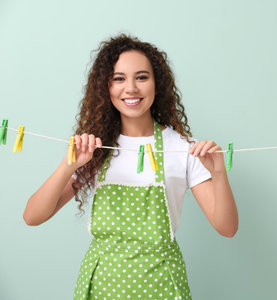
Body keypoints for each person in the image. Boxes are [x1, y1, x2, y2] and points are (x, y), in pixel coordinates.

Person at [23, 34, 238, 300]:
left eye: (142, 77)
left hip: (163, 285)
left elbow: (227, 228)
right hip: (102, 285)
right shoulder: (94, 150)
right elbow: (32, 217)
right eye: (119, 78)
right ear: (106, 87)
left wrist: (219, 174)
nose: (131, 88)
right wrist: (68, 166)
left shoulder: (182, 148)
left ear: (157, 84)